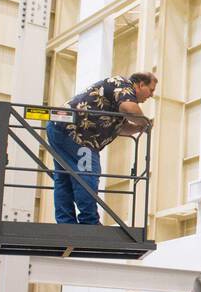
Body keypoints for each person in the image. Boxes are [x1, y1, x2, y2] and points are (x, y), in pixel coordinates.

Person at [49, 72, 157, 225]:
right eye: (151, 90)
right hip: (76, 133)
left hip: (60, 128)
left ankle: (66, 222)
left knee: (64, 178)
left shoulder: (117, 99)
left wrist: (138, 129)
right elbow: (129, 109)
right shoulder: (124, 86)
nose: (151, 95)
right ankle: (89, 222)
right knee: (88, 175)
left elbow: (119, 128)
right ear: (140, 85)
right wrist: (145, 122)